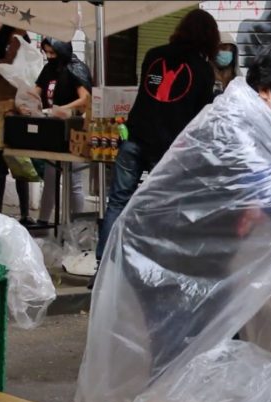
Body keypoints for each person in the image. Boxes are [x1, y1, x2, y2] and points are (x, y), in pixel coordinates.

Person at [76, 43, 271, 402]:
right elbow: (268, 188)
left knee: (207, 351)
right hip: (160, 254)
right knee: (179, 352)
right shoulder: (230, 123)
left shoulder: (267, 125)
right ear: (265, 90)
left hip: (205, 256)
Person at [93, 9, 219, 281]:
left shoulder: (153, 55)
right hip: (168, 148)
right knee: (166, 206)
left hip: (134, 137)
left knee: (117, 201)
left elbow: (147, 94)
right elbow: (201, 116)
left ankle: (103, 264)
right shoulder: (203, 70)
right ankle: (153, 266)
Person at [31, 37, 92, 226]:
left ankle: (76, 224)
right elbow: (36, 90)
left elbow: (86, 98)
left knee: (74, 181)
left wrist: (64, 108)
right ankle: (43, 219)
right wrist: (27, 101)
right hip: (52, 126)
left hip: (73, 127)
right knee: (50, 176)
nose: (49, 57)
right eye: (47, 53)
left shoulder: (76, 68)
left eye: (53, 53)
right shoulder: (49, 68)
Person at [0, 25, 33, 225]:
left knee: (21, 164)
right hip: (4, 116)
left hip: (12, 114)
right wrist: (17, 39)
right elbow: (9, 64)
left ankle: (23, 212)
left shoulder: (4, 63)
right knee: (1, 165)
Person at [212, 32, 241, 96]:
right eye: (220, 48)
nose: (223, 52)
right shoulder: (207, 78)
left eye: (225, 48)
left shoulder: (239, 80)